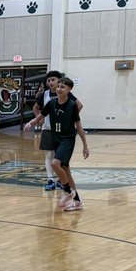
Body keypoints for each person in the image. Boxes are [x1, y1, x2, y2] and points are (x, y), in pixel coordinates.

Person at [39, 77, 89, 211]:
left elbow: (79, 127)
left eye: (62, 87)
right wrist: (31, 122)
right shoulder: (52, 102)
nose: (58, 88)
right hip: (56, 138)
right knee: (66, 172)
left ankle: (67, 191)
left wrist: (85, 145)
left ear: (69, 90)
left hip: (67, 139)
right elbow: (40, 115)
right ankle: (78, 201)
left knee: (55, 163)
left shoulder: (72, 105)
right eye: (58, 86)